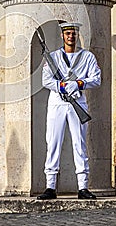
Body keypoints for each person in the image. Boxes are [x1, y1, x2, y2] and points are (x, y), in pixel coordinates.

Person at [37, 21, 101, 200]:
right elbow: (46, 80)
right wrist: (63, 86)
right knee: (53, 143)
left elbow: (96, 79)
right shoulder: (54, 57)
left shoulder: (87, 57)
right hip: (57, 103)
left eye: (73, 33)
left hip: (78, 103)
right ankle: (50, 187)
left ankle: (83, 187)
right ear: (62, 36)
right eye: (67, 33)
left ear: (77, 35)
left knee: (79, 144)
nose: (71, 36)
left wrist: (80, 83)